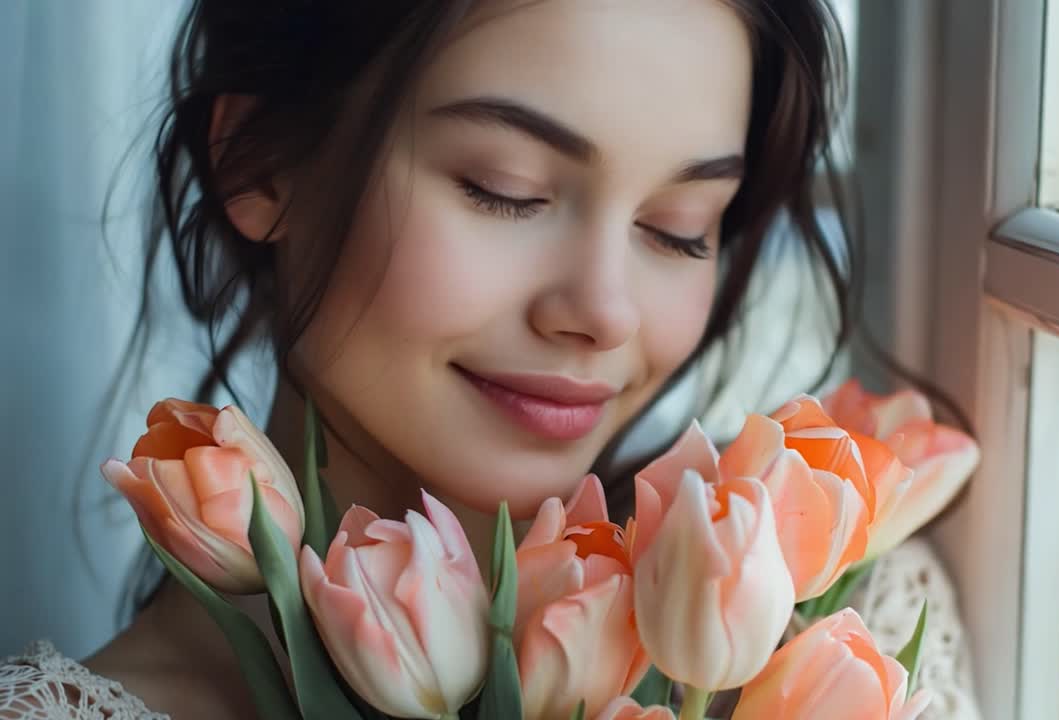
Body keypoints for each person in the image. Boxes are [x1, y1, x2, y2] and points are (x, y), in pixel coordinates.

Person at [0, 1, 979, 718]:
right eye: (501, 189)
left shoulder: (842, 648)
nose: (600, 312)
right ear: (258, 158)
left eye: (680, 228)